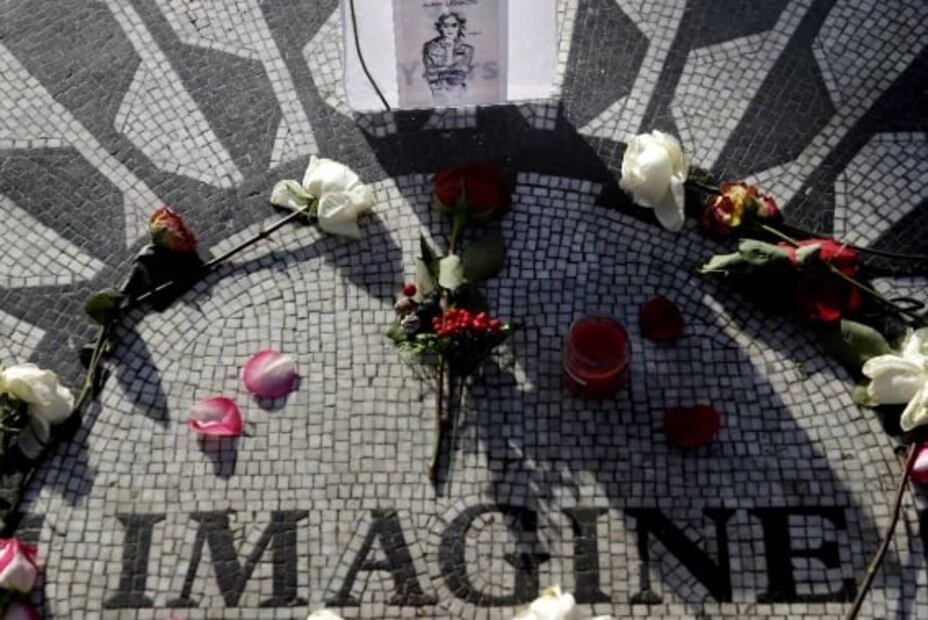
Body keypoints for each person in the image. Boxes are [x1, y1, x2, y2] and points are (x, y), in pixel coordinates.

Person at [422, 12, 474, 103]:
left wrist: (441, 71)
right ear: (440, 27)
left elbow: (462, 72)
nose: (450, 29)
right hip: (438, 89)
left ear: (459, 27)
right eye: (446, 26)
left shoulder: (467, 49)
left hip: (459, 89)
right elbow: (430, 71)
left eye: (454, 25)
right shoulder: (430, 47)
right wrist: (453, 69)